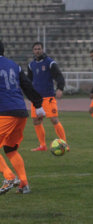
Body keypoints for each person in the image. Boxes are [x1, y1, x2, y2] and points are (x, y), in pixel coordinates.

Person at [0, 40, 45, 194]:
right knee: (10, 148)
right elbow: (27, 85)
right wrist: (38, 105)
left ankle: (9, 176)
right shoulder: (14, 65)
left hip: (5, 112)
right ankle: (24, 184)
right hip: (20, 111)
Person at [27, 41, 68, 151]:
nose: (37, 50)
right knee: (36, 121)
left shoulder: (50, 62)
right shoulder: (31, 65)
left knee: (54, 119)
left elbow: (59, 76)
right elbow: (29, 81)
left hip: (48, 97)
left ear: (42, 49)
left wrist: (60, 88)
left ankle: (65, 144)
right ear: (33, 51)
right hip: (36, 99)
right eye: (35, 49)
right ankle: (42, 146)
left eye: (39, 48)